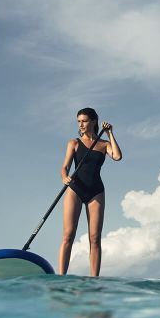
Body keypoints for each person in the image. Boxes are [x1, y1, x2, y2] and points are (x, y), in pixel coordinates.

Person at [58, 108, 122, 277]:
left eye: (84, 121)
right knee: (68, 235)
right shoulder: (74, 143)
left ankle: (94, 279)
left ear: (93, 122)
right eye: (79, 121)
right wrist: (65, 177)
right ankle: (61, 277)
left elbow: (117, 156)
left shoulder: (103, 144)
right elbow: (64, 167)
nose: (81, 124)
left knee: (95, 238)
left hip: (96, 191)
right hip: (75, 188)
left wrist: (110, 134)